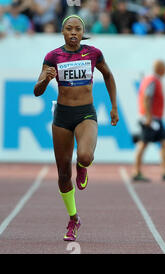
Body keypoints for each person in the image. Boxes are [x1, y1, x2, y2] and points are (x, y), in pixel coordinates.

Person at [33, 15, 119, 241]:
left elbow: (108, 75)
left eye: (77, 29)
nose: (73, 33)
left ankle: (82, 166)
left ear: (83, 32)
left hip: (86, 113)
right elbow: (37, 90)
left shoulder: (93, 53)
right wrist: (45, 80)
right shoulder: (52, 57)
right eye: (69, 29)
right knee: (63, 174)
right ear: (62, 32)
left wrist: (114, 107)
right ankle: (73, 219)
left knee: (86, 155)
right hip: (62, 115)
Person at [132, 60, 165, 182]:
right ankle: (137, 172)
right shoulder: (152, 81)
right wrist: (148, 117)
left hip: (156, 119)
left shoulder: (153, 80)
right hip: (151, 119)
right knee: (143, 143)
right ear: (160, 69)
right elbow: (147, 98)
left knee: (164, 142)